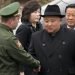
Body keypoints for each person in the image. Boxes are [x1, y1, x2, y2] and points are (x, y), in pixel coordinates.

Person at [29, 5, 75, 75]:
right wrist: (35, 65)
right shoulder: (36, 37)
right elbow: (31, 56)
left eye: (52, 21)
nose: (49, 24)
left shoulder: (72, 35)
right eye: (46, 21)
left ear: (60, 20)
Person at [0, 2, 40, 75]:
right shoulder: (9, 38)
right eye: (17, 18)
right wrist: (37, 64)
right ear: (12, 20)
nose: (18, 21)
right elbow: (21, 54)